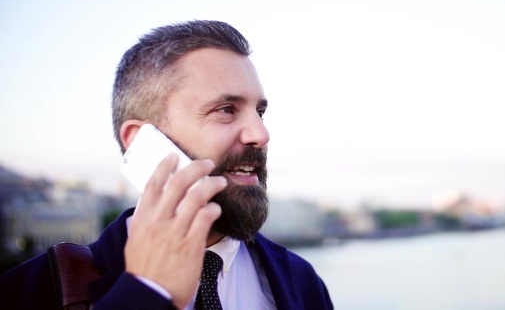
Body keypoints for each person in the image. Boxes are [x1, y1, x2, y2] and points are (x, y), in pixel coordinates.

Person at [0, 20, 334, 310]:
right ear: (142, 141)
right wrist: (146, 294)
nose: (261, 134)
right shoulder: (26, 292)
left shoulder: (303, 284)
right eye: (226, 109)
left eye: (259, 112)